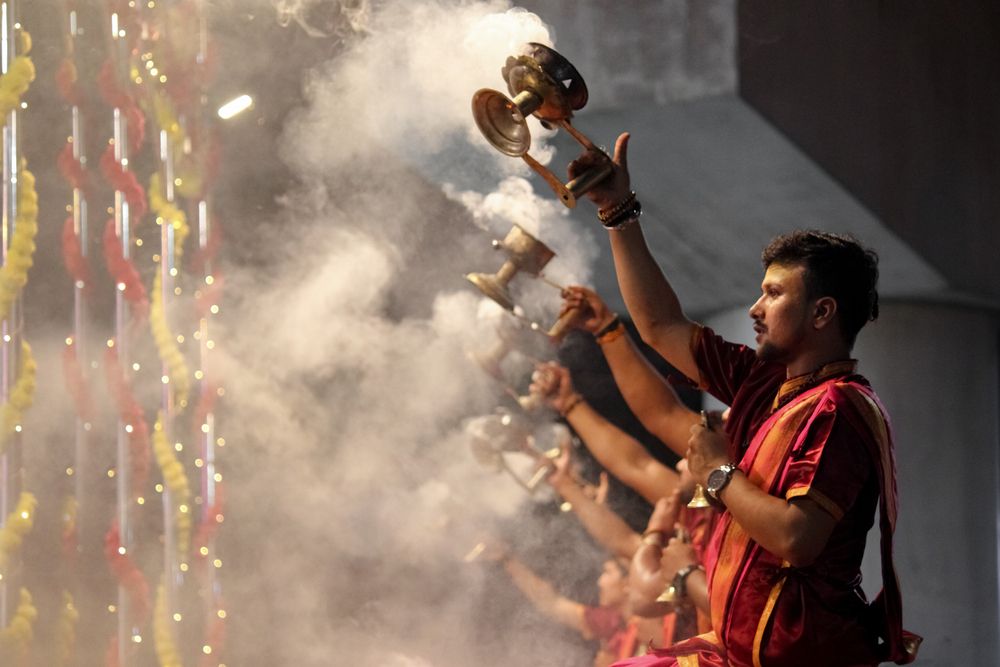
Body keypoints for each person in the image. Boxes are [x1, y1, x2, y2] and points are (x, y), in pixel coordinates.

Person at [566, 135, 920, 666]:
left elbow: (797, 539)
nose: (755, 308)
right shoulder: (765, 384)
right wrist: (617, 210)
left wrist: (717, 472)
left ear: (822, 313)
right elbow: (661, 326)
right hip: (731, 653)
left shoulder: (838, 408)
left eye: (774, 294)